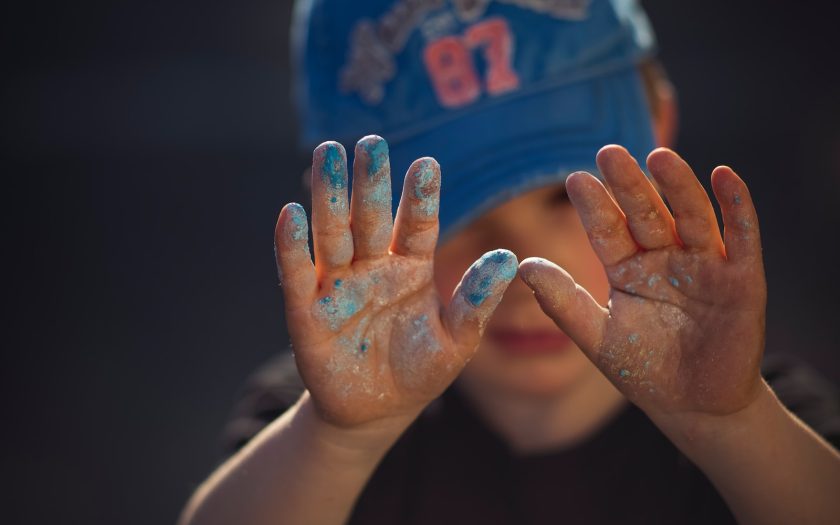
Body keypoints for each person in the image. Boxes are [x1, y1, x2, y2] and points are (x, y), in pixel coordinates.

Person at [179, 1, 840, 524]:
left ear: (658, 126)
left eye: (566, 196)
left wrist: (732, 425)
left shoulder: (763, 431)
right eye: (449, 210)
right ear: (350, 211)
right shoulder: (316, 429)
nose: (524, 269)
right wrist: (341, 439)